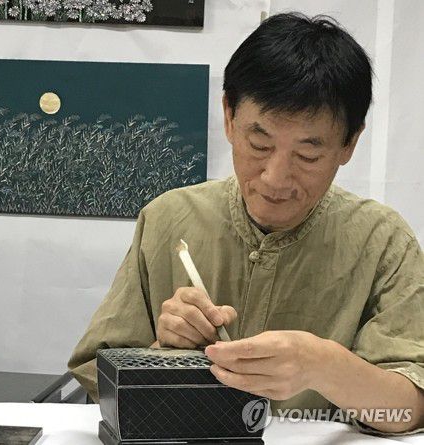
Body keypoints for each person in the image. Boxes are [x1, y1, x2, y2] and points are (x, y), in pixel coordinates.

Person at [68, 12, 424, 434]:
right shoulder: (169, 219)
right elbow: (97, 379)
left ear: (350, 143)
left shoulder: (382, 242)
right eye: (259, 143)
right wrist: (161, 352)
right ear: (229, 117)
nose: (275, 178)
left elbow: (407, 410)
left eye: (308, 155)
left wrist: (323, 365)